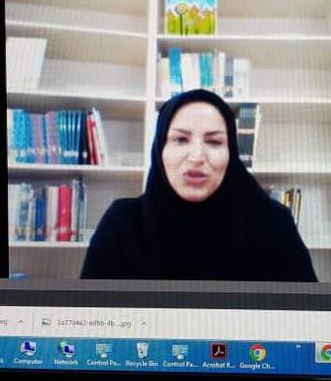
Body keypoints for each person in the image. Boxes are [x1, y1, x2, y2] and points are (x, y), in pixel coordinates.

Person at [81, 89, 317, 281]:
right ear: (160, 149)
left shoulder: (274, 224)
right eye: (180, 139)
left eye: (214, 142)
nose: (196, 157)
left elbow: (310, 317)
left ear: (232, 154)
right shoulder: (122, 224)